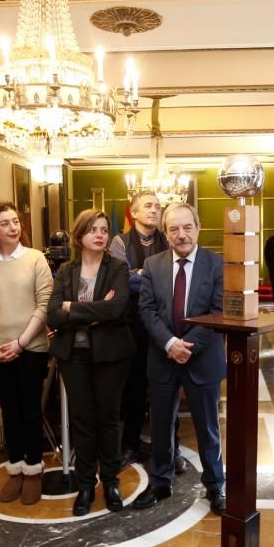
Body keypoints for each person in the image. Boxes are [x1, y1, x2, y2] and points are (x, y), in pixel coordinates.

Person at [133, 203, 226, 515]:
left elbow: (218, 310)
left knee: (208, 428)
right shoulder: (153, 263)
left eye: (187, 227)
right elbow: (146, 309)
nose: (181, 234)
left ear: (198, 228)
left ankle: (215, 486)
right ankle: (160, 482)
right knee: (160, 426)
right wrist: (170, 343)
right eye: (173, 229)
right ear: (165, 232)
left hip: (202, 358)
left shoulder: (216, 264)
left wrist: (188, 346)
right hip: (162, 357)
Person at [48, 209, 134, 515]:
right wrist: (95, 308)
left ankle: (110, 481)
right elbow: (54, 314)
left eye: (103, 229)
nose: (100, 234)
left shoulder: (118, 268)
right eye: (92, 229)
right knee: (83, 421)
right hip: (74, 356)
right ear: (79, 236)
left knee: (109, 420)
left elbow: (116, 309)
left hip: (111, 355)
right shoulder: (65, 271)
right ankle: (86, 484)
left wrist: (75, 307)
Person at [0, 203, 52, 505]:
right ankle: (15, 468)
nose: (13, 227)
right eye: (4, 223)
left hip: (31, 348)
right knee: (10, 411)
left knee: (30, 410)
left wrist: (21, 342)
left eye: (15, 221)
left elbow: (44, 304)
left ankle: (33, 471)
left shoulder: (35, 259)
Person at [109, 191, 185, 473]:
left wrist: (142, 275)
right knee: (134, 390)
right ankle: (130, 444)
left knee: (167, 389)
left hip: (164, 325)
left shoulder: (169, 240)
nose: (155, 210)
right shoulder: (120, 242)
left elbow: (177, 276)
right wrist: (153, 279)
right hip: (131, 327)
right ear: (134, 212)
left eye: (158, 206)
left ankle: (171, 446)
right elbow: (121, 279)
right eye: (148, 206)